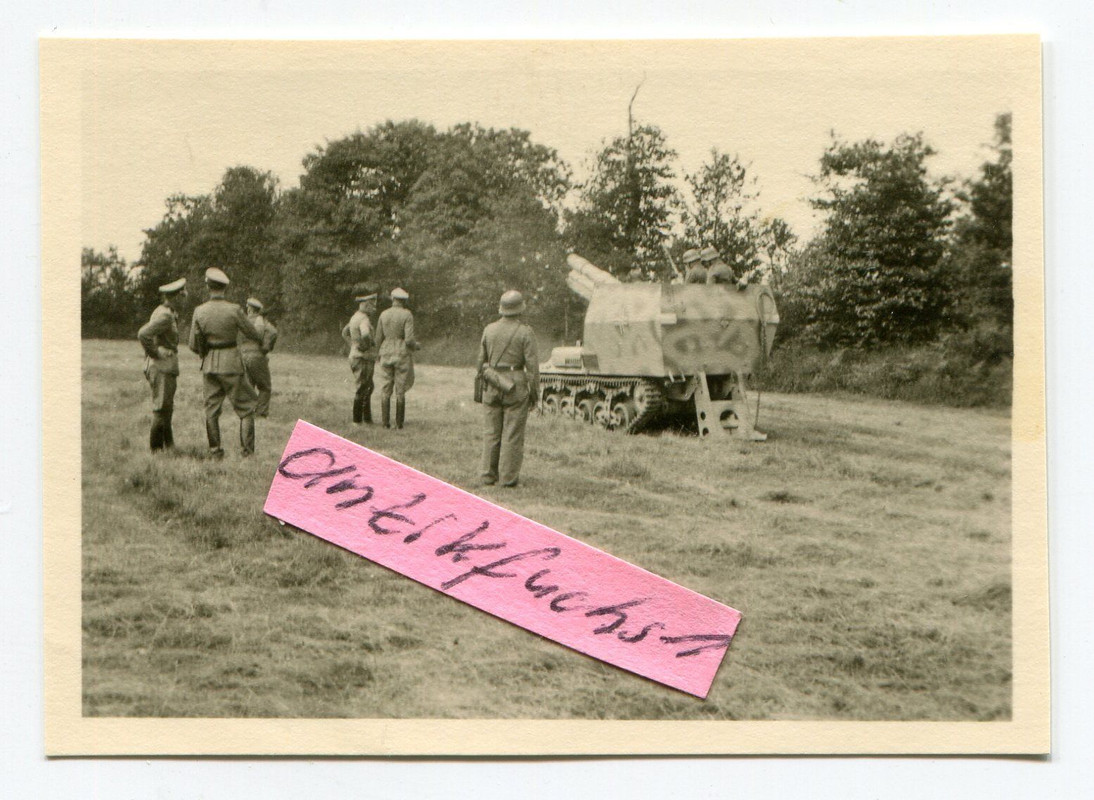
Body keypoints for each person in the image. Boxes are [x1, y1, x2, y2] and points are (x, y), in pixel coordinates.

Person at [188, 268, 263, 457]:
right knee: (246, 408)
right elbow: (253, 334)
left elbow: (192, 345)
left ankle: (215, 452)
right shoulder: (234, 310)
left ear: (208, 286)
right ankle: (247, 453)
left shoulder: (199, 311)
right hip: (231, 362)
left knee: (211, 410)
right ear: (225, 288)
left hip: (209, 364)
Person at [479, 290, 539, 488]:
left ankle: (488, 476)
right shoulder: (525, 332)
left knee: (491, 433)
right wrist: (534, 394)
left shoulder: (489, 329)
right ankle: (508, 479)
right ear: (520, 309)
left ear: (502, 309)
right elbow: (532, 368)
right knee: (512, 434)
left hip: (492, 382)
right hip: (515, 386)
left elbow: (481, 362)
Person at [137, 276, 186, 452]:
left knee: (166, 407)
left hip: (165, 365)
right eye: (182, 296)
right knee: (161, 408)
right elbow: (143, 334)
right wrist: (156, 353)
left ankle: (168, 445)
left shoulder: (166, 312)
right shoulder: (165, 315)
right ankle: (156, 450)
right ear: (173, 297)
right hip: (162, 365)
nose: (184, 300)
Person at [374, 287, 419, 429]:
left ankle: (385, 423)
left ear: (392, 299)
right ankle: (399, 424)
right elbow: (409, 339)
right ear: (404, 301)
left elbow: (378, 338)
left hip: (386, 351)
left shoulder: (384, 314)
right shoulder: (407, 315)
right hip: (401, 353)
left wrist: (377, 354)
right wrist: (416, 346)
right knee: (400, 389)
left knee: (386, 388)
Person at [341, 286, 378, 425]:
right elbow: (366, 334)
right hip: (363, 357)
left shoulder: (354, 317)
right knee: (363, 387)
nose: (374, 309)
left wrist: (353, 344)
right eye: (372, 306)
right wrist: (366, 345)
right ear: (366, 305)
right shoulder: (364, 319)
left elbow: (344, 333)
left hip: (356, 355)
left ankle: (366, 419)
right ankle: (358, 420)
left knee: (367, 386)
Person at [240, 297, 278, 418]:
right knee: (265, 386)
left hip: (242, 356)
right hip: (257, 356)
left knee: (248, 385)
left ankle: (248, 412)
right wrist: (266, 348)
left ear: (249, 309)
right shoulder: (261, 321)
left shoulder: (243, 320)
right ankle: (260, 413)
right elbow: (272, 332)